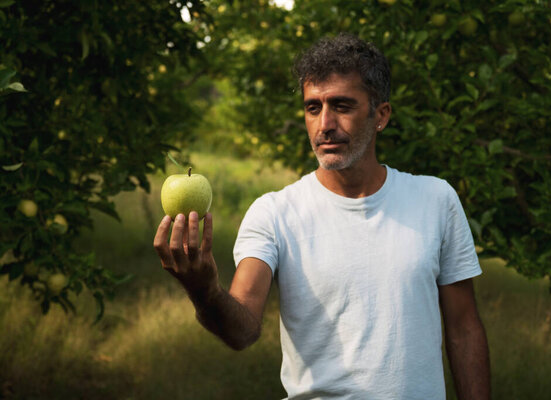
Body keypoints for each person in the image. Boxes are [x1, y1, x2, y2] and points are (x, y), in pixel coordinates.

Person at [154, 33, 490, 399]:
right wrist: (203, 289)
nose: (325, 124)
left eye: (342, 106)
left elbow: (464, 327)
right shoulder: (274, 213)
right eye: (313, 108)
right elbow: (242, 331)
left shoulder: (435, 199)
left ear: (381, 115)